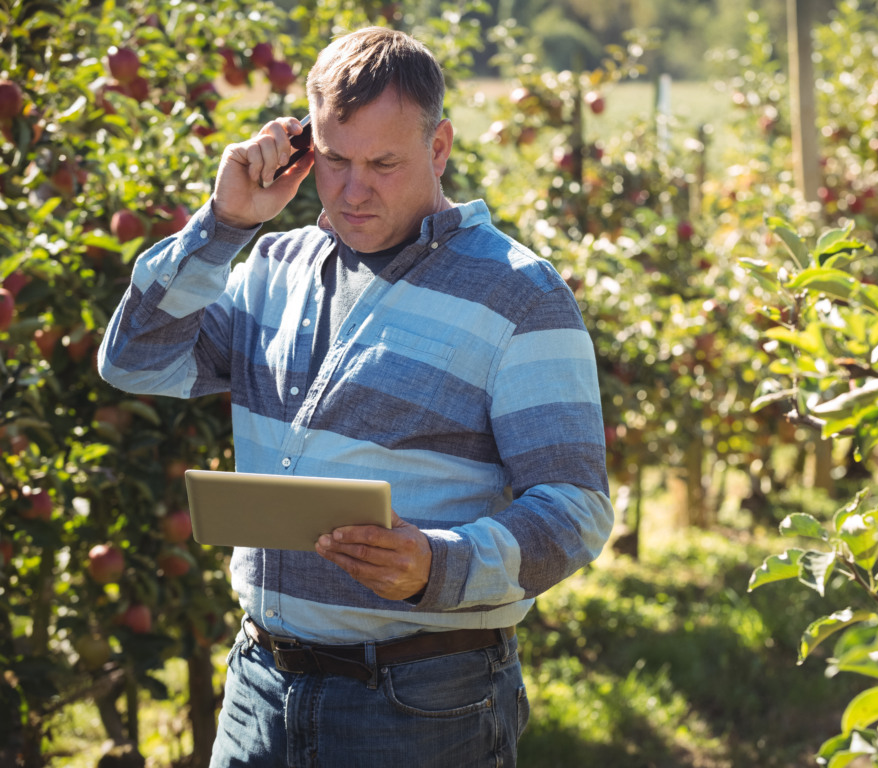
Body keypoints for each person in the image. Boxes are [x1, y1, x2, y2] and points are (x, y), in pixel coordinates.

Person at [98, 26, 613, 767]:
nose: (351, 188)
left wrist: (440, 565)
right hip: (260, 687)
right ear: (304, 148)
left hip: (419, 705)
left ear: (438, 150)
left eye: (383, 163)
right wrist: (222, 226)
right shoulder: (271, 266)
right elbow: (135, 361)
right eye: (334, 160)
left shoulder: (517, 295)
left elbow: (574, 505)